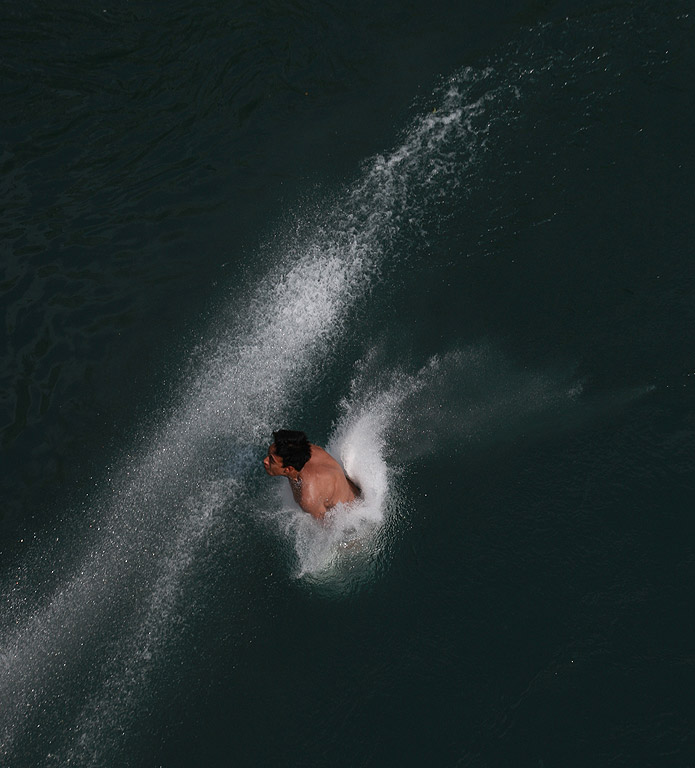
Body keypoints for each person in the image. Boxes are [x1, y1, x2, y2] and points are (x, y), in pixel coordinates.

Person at [263, 429, 361, 520]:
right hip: (354, 490)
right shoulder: (304, 449)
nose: (265, 461)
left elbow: (328, 528)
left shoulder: (308, 498)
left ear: (289, 469)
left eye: (271, 460)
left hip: (354, 514)